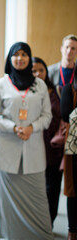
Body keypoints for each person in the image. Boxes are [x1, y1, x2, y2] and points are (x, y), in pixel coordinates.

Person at [0, 42, 53, 239]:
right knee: (8, 204)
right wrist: (13, 127)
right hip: (7, 148)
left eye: (24, 54)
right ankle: (10, 235)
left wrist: (32, 127)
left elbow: (47, 116)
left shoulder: (39, 84)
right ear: (10, 59)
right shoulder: (1, 84)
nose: (20, 58)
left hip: (33, 150)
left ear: (29, 58)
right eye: (16, 55)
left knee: (39, 200)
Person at [32, 56, 64, 227]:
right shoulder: (25, 93)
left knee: (52, 188)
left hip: (53, 148)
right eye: (33, 70)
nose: (37, 74)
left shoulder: (57, 92)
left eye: (40, 70)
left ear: (46, 72)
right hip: (33, 146)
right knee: (36, 188)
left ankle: (48, 223)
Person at [60, 61, 77, 240]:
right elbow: (66, 115)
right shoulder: (69, 88)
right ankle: (73, 231)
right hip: (75, 148)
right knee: (73, 191)